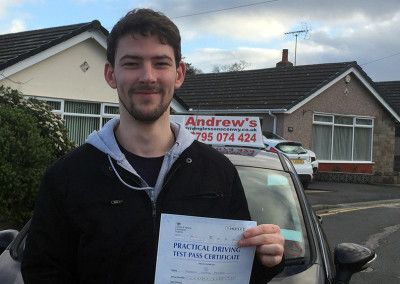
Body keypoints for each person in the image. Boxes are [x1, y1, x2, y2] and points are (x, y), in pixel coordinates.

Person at [21, 8, 284, 283]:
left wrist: (264, 260)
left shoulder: (219, 172)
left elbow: (231, 273)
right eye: (132, 63)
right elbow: (42, 273)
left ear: (179, 73)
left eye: (160, 63)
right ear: (111, 74)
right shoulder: (65, 178)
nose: (148, 76)